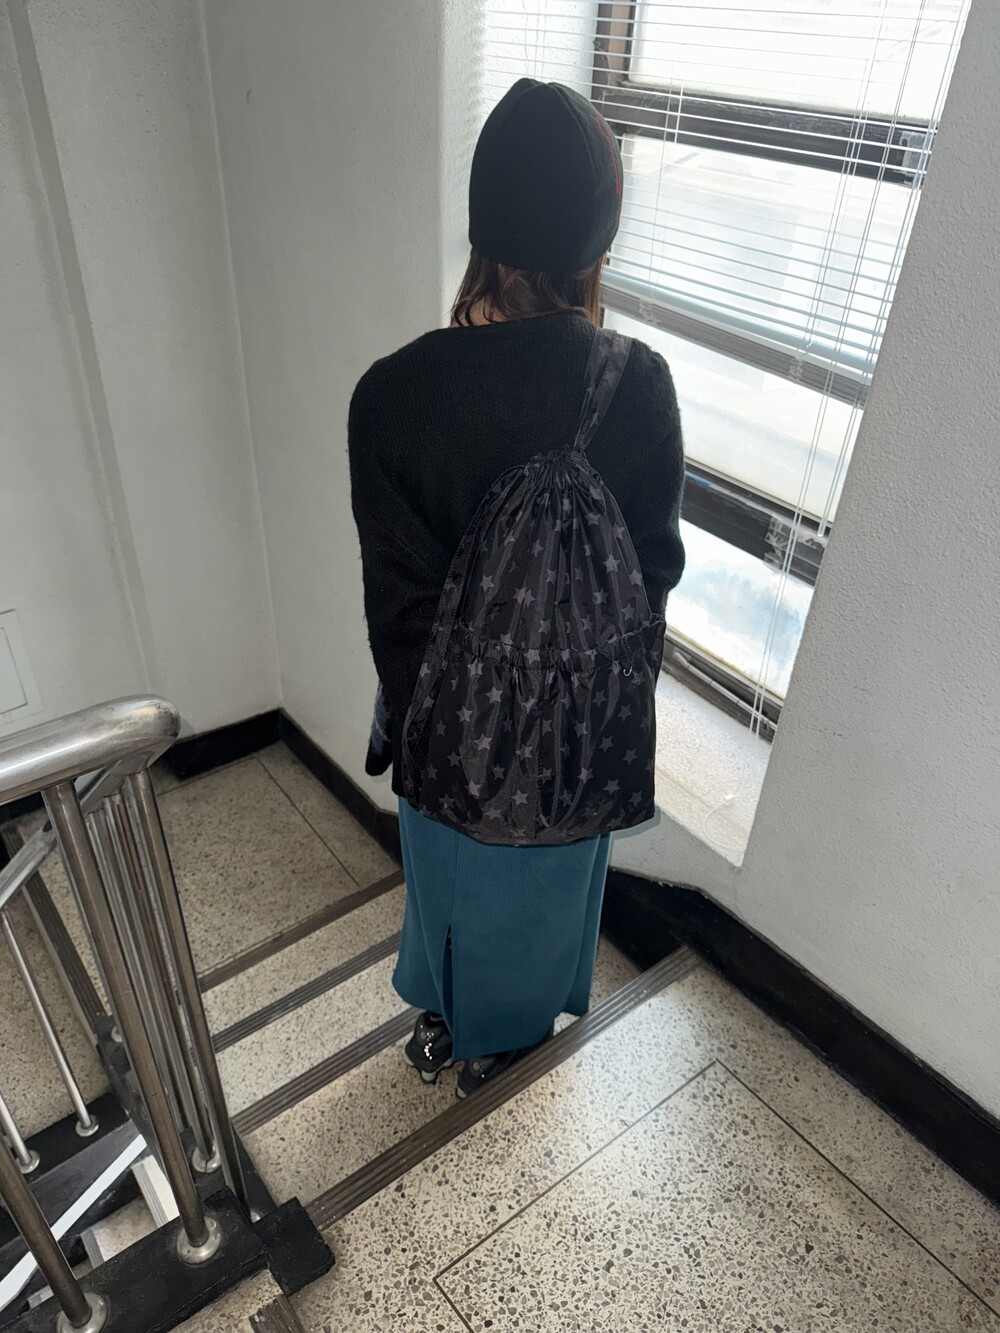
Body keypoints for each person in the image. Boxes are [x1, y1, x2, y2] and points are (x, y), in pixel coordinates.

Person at [349, 78, 685, 1098]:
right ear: (598, 236)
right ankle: (509, 1040)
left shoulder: (393, 394)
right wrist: (577, 703)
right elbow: (652, 575)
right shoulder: (639, 386)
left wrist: (445, 733)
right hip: (573, 735)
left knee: (448, 886)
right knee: (541, 898)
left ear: (482, 220)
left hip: (444, 735)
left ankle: (446, 1016)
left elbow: (398, 608)